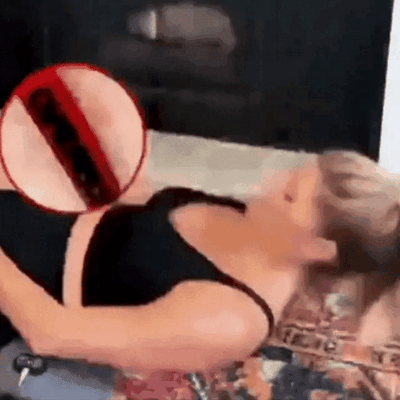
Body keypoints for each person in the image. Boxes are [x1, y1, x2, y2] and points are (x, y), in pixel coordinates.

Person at [0, 140, 398, 378]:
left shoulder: (230, 319)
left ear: (319, 249)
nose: (271, 182)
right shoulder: (255, 221)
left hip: (25, 280)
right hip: (57, 214)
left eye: (289, 195)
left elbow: (50, 332)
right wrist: (112, 154)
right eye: (293, 173)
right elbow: (143, 209)